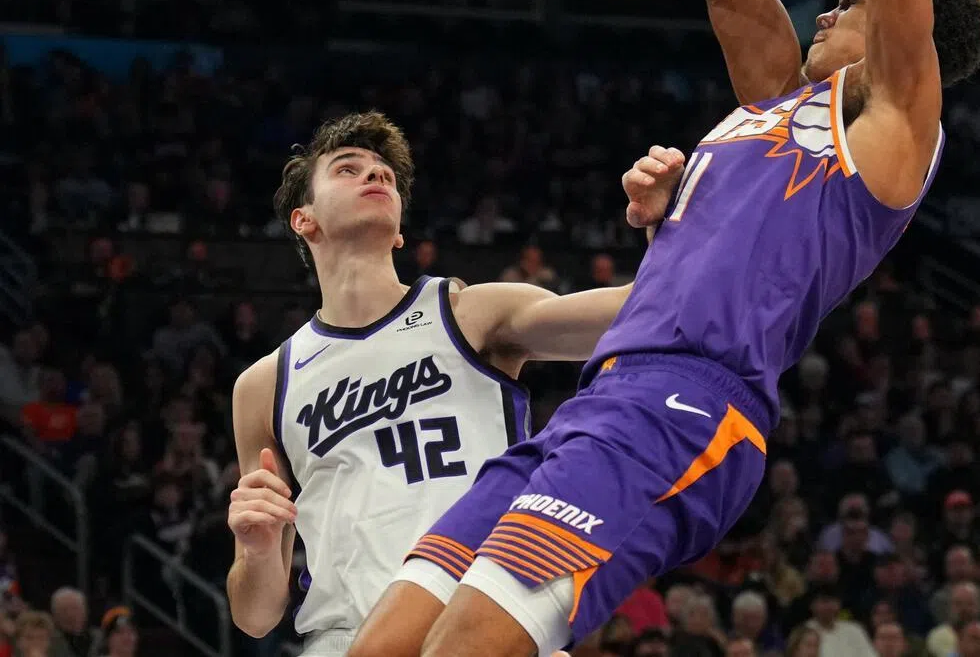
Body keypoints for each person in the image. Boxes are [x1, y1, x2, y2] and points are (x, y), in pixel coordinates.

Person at [349, 0, 980, 657]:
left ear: (913, 43)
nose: (834, 5)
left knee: (465, 650)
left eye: (856, 3)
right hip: (600, 398)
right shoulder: (779, 98)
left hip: (690, 410)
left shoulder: (891, 128)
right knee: (379, 649)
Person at [226, 112, 673, 654]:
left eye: (386, 175)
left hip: (482, 626)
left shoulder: (468, 312)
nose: (376, 176)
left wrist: (670, 232)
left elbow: (643, 314)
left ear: (398, 231)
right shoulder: (265, 383)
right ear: (304, 219)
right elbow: (254, 615)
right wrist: (256, 548)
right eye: (349, 169)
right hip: (344, 638)